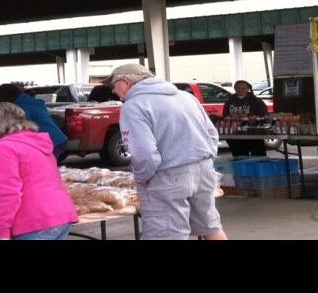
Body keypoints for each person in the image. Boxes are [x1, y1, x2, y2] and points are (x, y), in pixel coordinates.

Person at [108, 63, 227, 241]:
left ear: (125, 82)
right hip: (204, 170)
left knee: (166, 235)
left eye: (113, 85)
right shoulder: (186, 97)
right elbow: (212, 134)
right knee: (211, 227)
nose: (113, 91)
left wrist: (142, 178)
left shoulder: (134, 106)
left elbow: (144, 153)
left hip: (167, 176)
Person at [0, 102, 78, 240]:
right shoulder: (33, 143)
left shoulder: (2, 149)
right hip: (59, 215)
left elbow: (8, 194)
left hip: (33, 221)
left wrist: (0, 231)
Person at [0, 83, 68, 159]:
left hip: (51, 141)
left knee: (42, 168)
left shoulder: (21, 107)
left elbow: (19, 128)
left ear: (5, 95)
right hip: (56, 139)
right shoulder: (30, 102)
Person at [222, 79, 268, 157]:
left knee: (258, 157)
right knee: (239, 157)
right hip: (235, 135)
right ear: (235, 89)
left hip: (254, 134)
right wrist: (228, 118)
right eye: (238, 88)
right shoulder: (229, 101)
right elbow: (225, 116)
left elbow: (264, 115)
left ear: (247, 89)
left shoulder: (256, 101)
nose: (240, 90)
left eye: (243, 88)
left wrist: (256, 117)